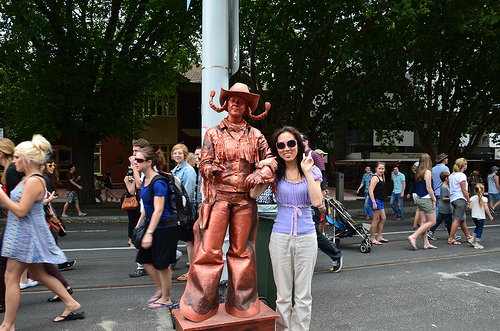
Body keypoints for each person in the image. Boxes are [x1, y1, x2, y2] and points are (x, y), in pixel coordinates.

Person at [180, 82, 275, 322]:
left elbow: (272, 161)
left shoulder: (256, 135)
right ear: (225, 104)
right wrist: (209, 168)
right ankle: (201, 302)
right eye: (232, 98)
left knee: (242, 252)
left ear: (246, 108)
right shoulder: (212, 133)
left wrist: (260, 174)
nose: (235, 102)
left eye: (241, 100)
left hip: (244, 200)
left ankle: (241, 303)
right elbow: (203, 162)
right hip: (218, 199)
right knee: (209, 251)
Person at [0, 135, 84, 328]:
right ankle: (71, 304)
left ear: (28, 159)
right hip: (24, 233)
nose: (13, 161)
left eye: (16, 157)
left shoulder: (34, 181)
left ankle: (7, 325)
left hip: (25, 235)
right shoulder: (28, 179)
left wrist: (2, 197)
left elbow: (21, 211)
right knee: (38, 274)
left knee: (10, 277)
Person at [253, 126, 322, 331]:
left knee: (303, 295)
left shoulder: (312, 169)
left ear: (298, 145)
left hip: (306, 237)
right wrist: (263, 166)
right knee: (283, 295)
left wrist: (308, 172)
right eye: (281, 145)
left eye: (291, 143)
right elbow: (253, 193)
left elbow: (317, 200)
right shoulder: (275, 172)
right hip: (281, 236)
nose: (286, 148)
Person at [133, 147, 180, 309]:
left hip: (165, 228)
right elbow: (147, 206)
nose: (136, 162)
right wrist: (139, 225)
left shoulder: (159, 182)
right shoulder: (146, 180)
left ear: (149, 162)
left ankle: (166, 298)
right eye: (135, 159)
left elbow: (159, 210)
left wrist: (149, 233)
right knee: (144, 260)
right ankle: (161, 288)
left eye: (139, 160)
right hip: (153, 226)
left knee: (162, 265)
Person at [42, 160, 76, 271]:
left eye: (54, 165)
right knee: (51, 236)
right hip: (45, 210)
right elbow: (45, 199)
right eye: (50, 165)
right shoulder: (44, 179)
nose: (52, 167)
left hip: (46, 209)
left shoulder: (48, 178)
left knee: (52, 236)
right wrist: (52, 214)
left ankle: (57, 262)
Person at [170, 143, 197, 282]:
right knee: (175, 238)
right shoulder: (175, 170)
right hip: (177, 209)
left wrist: (182, 210)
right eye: (175, 153)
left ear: (185, 155)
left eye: (180, 153)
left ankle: (192, 271)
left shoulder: (188, 170)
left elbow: (188, 193)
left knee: (188, 241)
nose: (177, 155)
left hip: (186, 209)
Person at [128, 138, 151, 278]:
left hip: (150, 209)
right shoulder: (141, 166)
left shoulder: (147, 165)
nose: (134, 155)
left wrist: (133, 166)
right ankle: (175, 254)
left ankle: (141, 266)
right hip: (145, 207)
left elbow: (139, 185)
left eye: (136, 151)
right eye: (133, 151)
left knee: (141, 235)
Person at [406, 153, 437, 250]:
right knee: (432, 221)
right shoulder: (427, 172)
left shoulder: (418, 171)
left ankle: (426, 243)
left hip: (419, 198)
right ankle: (414, 236)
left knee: (423, 222)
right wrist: (434, 199)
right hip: (426, 199)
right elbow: (429, 188)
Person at [447, 158, 473, 245]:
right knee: (457, 219)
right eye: (466, 164)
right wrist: (469, 201)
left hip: (453, 198)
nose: (466, 166)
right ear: (463, 165)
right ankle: (451, 238)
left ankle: (468, 236)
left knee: (462, 219)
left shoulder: (452, 175)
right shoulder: (462, 176)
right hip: (460, 199)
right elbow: (464, 190)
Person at [427, 172, 455, 241]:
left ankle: (431, 231)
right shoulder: (444, 187)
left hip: (444, 207)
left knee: (440, 220)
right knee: (448, 222)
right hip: (445, 208)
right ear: (446, 178)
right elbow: (444, 198)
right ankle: (451, 235)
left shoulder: (445, 186)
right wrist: (452, 198)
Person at [368, 162, 388, 245]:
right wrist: (374, 202)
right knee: (375, 220)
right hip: (376, 200)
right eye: (379, 168)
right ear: (376, 168)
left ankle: (379, 236)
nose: (381, 170)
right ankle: (372, 238)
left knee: (383, 218)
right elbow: (370, 191)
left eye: (382, 168)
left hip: (380, 200)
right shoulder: (375, 178)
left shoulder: (381, 177)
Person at [468, 183, 493, 249]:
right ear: (483, 190)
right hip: (480, 217)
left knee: (477, 227)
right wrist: (490, 216)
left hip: (474, 216)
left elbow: (470, 207)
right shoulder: (484, 199)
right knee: (479, 229)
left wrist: (467, 204)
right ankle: (477, 243)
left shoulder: (472, 198)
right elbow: (486, 208)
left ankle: (472, 238)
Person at [124, 166, 141, 247]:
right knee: (132, 221)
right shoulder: (127, 178)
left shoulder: (138, 177)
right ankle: (131, 240)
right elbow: (131, 191)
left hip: (137, 201)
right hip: (131, 201)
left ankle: (136, 239)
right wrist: (133, 182)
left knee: (138, 221)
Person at [406, 162, 421, 231]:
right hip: (418, 193)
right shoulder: (419, 175)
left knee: (420, 210)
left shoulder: (413, 175)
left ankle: (419, 224)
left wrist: (409, 193)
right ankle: (415, 225)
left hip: (414, 193)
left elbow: (412, 185)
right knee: (419, 210)